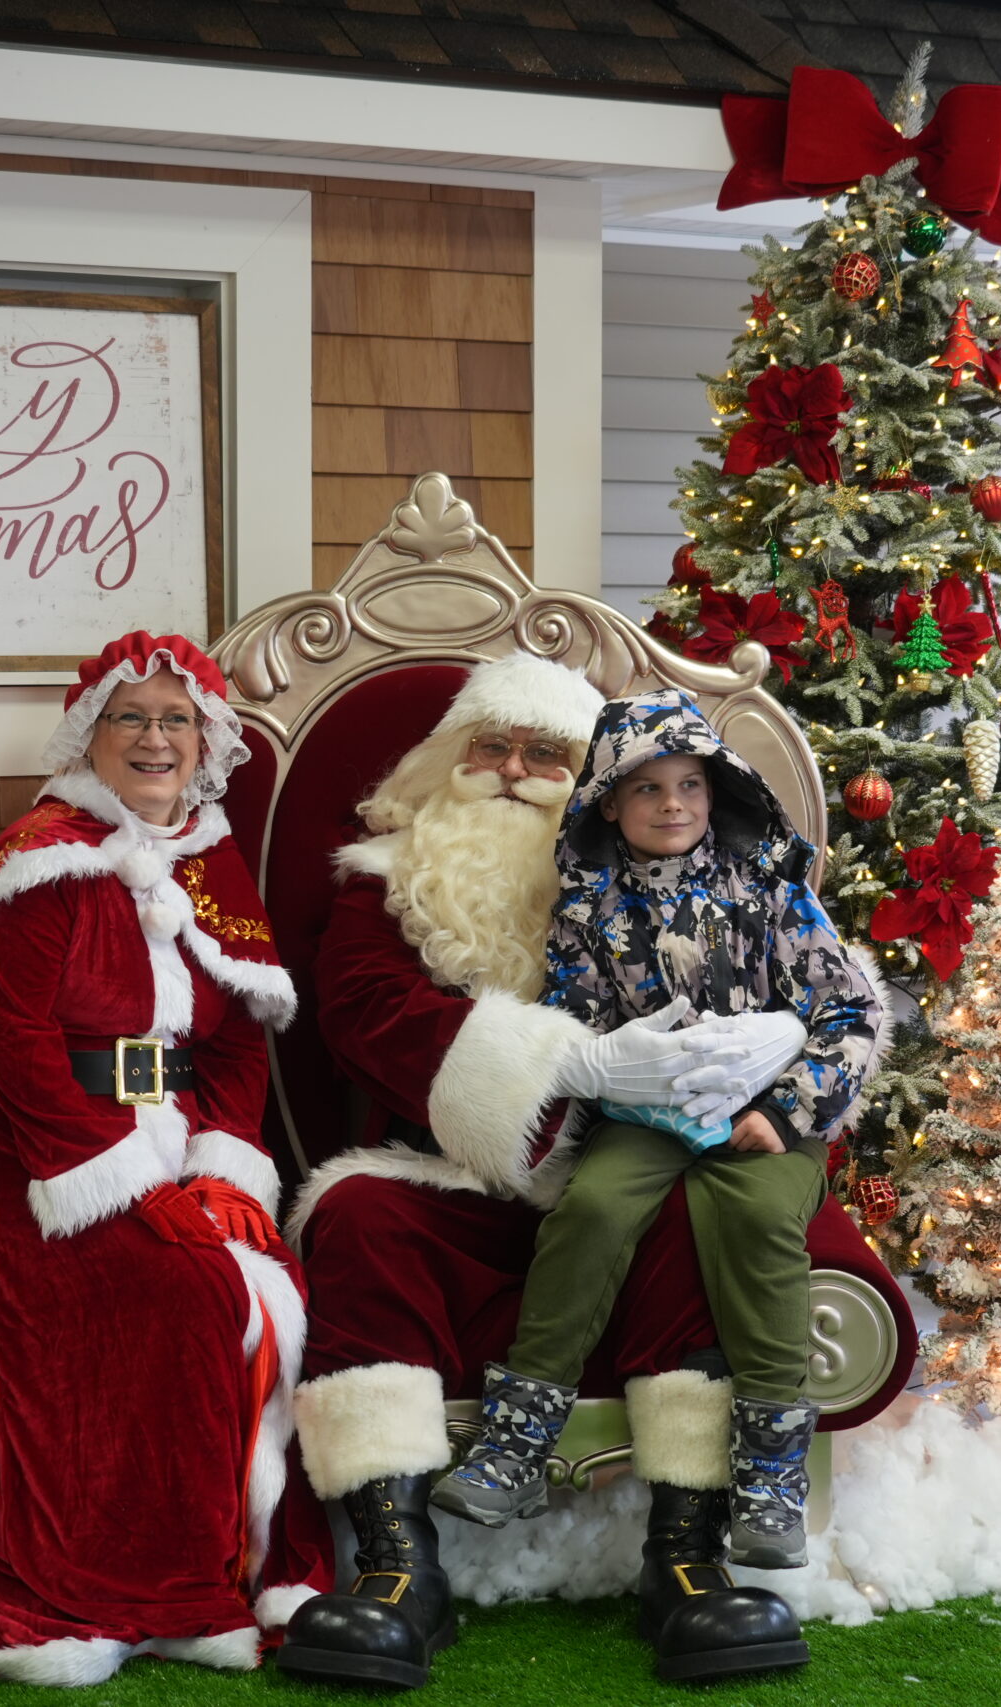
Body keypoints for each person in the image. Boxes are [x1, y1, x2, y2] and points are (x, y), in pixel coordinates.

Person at [275, 653, 908, 1689]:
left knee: (697, 1210)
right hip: (456, 1172)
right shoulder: (392, 877)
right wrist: (570, 1065)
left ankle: (686, 1555)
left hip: (646, 1150)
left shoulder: (696, 879)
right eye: (491, 746)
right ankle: (397, 1562)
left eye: (544, 753)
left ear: (588, 783)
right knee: (358, 1216)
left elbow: (824, 989)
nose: (512, 769)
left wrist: (781, 1036)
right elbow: (363, 1013)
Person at [0, 631, 316, 1685]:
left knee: (267, 1283)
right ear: (90, 735)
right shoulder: (41, 857)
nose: (153, 739)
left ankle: (242, 1571)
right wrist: (125, 1186)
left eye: (176, 719)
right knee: (186, 1295)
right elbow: (14, 1046)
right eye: (129, 717)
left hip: (168, 1140)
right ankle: (126, 1582)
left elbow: (237, 1042)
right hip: (25, 1161)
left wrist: (219, 1172)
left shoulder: (210, 863)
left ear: (206, 741)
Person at [430, 690, 887, 1571]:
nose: (673, 804)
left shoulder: (769, 891)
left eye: (689, 785)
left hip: (765, 1114)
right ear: (609, 803)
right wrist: (611, 1070)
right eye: (647, 788)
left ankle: (770, 1471)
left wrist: (785, 1107)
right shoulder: (588, 909)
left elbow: (852, 1012)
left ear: (716, 792)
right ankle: (519, 1435)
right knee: (593, 1207)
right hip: (646, 1116)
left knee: (756, 1215)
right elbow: (572, 1025)